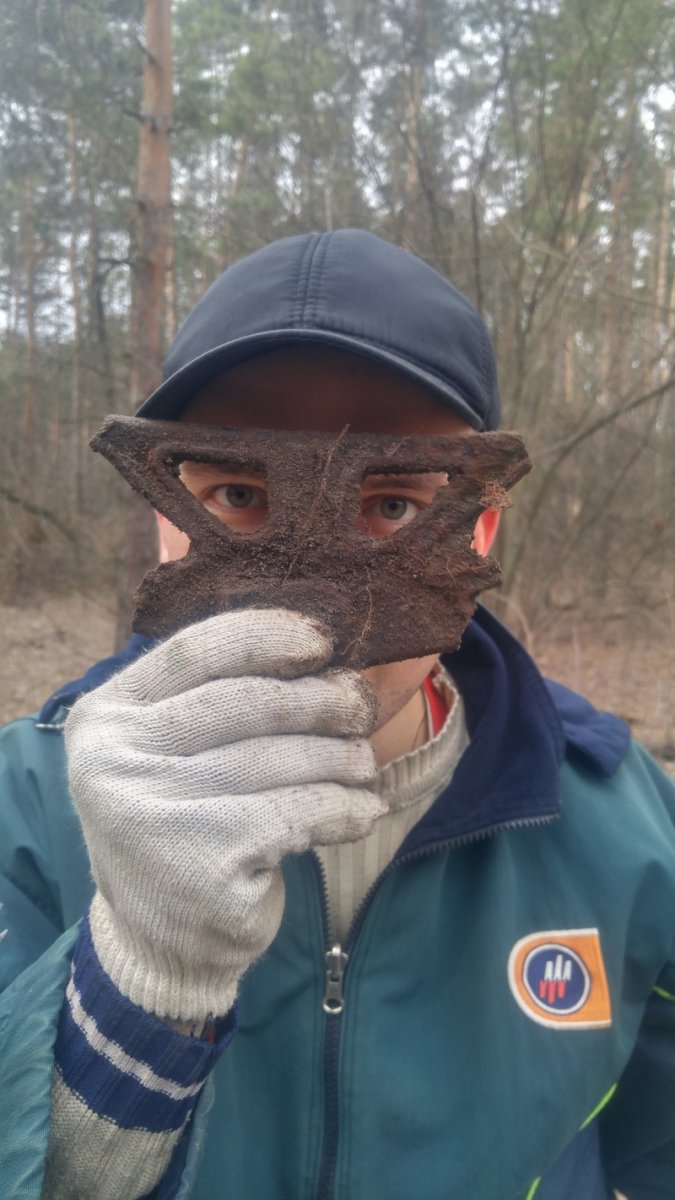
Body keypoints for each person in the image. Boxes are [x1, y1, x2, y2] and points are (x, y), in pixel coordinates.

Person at [1, 230, 674, 1200]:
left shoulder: (631, 833)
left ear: (480, 529)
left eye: (393, 506)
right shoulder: (22, 808)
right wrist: (144, 979)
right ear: (165, 522)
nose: (311, 595)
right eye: (238, 494)